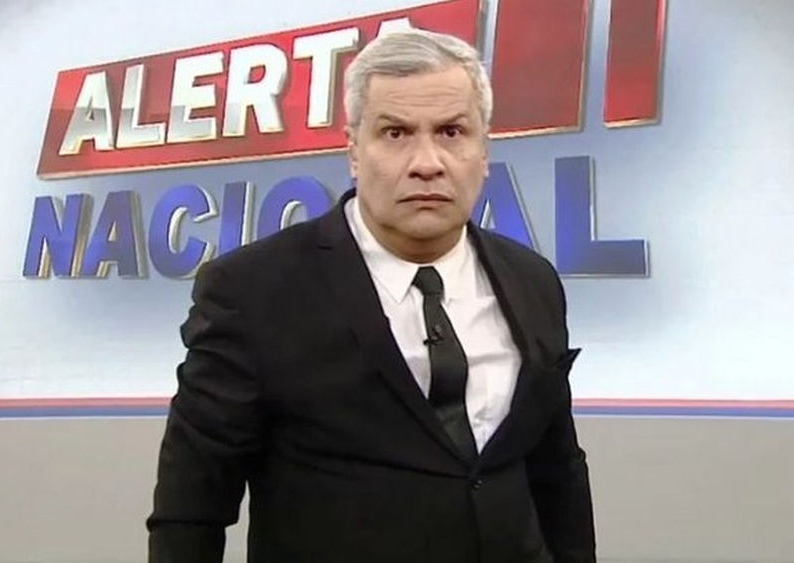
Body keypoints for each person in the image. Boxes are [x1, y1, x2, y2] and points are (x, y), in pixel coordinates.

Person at [147, 29, 595, 563]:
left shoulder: (533, 280)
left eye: (452, 131)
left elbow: (557, 470)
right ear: (354, 151)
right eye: (396, 133)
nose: (427, 162)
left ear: (484, 150)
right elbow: (192, 506)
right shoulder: (252, 290)